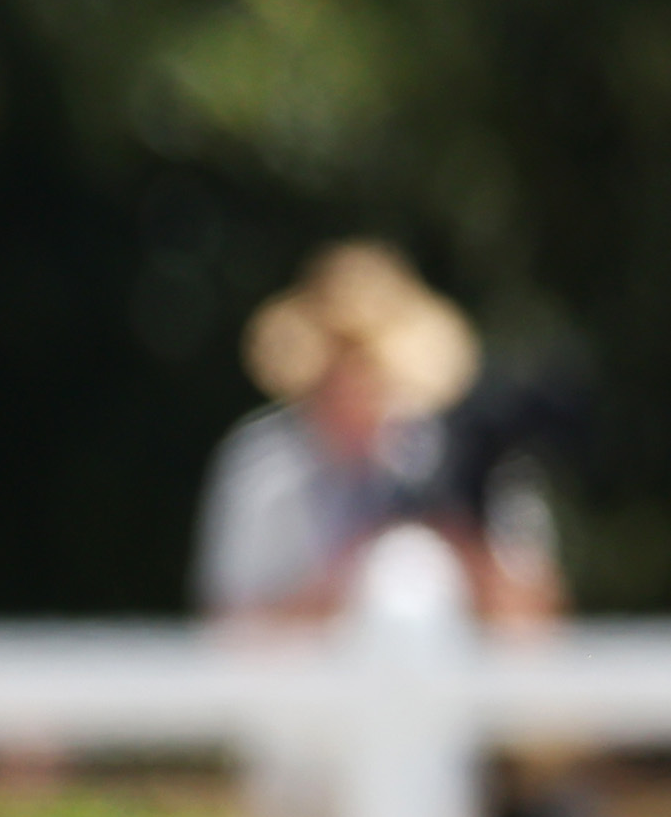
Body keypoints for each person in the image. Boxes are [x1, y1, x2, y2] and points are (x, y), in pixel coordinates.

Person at [195, 242, 565, 632]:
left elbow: (537, 621)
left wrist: (460, 544)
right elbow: (228, 629)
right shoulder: (265, 465)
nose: (355, 381)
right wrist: (347, 576)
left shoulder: (462, 454)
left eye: (371, 360)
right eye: (339, 360)